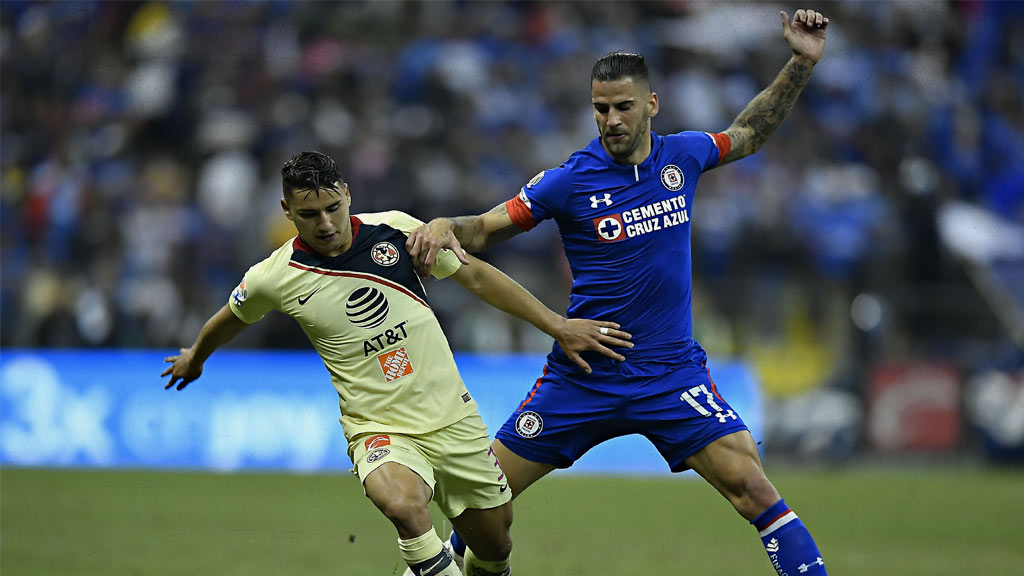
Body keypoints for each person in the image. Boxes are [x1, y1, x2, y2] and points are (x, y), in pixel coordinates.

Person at [406, 9, 831, 576]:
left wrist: (800, 62)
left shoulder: (683, 156)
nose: (611, 119)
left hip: (669, 373)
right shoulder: (570, 180)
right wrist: (443, 226)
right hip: (584, 372)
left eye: (623, 106)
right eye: (601, 108)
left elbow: (749, 133)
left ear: (650, 105)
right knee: (483, 506)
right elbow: (483, 229)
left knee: (755, 490)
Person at [160, 151, 632, 576]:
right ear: (287, 212)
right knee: (404, 506)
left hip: (453, 421)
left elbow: (479, 279)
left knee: (494, 546)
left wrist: (556, 325)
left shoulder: (397, 230)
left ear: (348, 195)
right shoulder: (273, 277)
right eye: (308, 214)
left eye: (332, 208)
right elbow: (230, 318)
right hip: (379, 427)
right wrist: (194, 357)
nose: (324, 224)